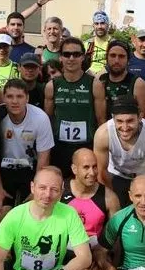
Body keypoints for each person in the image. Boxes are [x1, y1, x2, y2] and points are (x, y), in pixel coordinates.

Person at [0, 79, 55, 223]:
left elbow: (44, 157)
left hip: (31, 171)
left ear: (27, 98)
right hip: (5, 171)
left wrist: (37, 189)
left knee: (32, 215)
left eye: (19, 96)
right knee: (3, 215)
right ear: (3, 98)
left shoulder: (41, 118)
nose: (15, 101)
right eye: (10, 96)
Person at [45, 37, 107, 176]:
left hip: (87, 146)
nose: (71, 58)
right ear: (61, 57)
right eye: (67, 54)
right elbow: (47, 120)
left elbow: (101, 120)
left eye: (76, 54)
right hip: (60, 148)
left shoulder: (94, 84)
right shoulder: (52, 86)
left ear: (82, 57)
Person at [93, 95, 145, 208]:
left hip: (143, 176)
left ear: (140, 117)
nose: (125, 127)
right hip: (115, 175)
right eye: (119, 121)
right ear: (113, 118)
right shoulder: (103, 134)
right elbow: (101, 172)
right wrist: (112, 199)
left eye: (130, 121)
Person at [61, 149, 120, 246]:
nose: (92, 172)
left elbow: (115, 235)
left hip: (93, 252)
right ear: (74, 169)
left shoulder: (110, 198)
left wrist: (104, 250)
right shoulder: (59, 190)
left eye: (94, 167)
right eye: (86, 167)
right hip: (61, 250)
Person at [98, 40, 145, 118]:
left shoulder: (138, 84)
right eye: (112, 55)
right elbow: (99, 117)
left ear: (128, 59)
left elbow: (142, 117)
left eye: (121, 56)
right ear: (106, 58)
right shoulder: (100, 80)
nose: (116, 61)